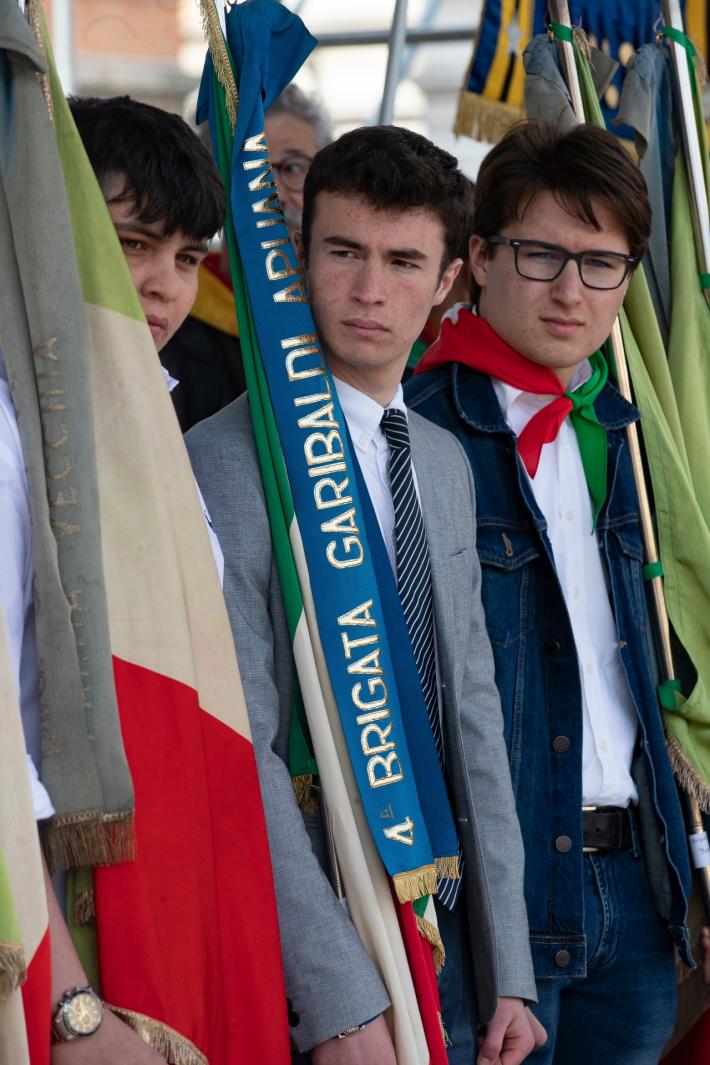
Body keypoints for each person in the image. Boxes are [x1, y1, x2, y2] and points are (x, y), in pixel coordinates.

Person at [187, 124, 545, 1065]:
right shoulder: (227, 460)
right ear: (299, 259)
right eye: (343, 252)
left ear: (450, 280)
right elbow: (244, 749)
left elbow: (474, 716)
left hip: (450, 934)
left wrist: (509, 967)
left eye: (403, 261)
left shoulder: (443, 461)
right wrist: (339, 1002)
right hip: (322, 933)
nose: (369, 290)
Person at [406, 120, 693, 1064]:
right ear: (480, 258)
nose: (572, 291)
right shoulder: (415, 431)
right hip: (488, 906)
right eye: (542, 255)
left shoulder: (636, 439)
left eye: (601, 263)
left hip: (637, 892)